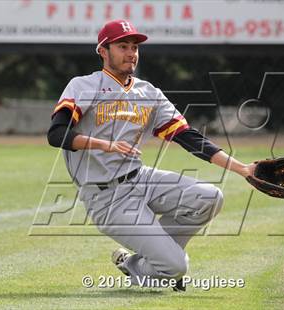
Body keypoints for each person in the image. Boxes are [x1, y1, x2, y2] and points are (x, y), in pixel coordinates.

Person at [47, 19, 256, 291]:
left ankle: (141, 263)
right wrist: (104, 144)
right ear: (103, 50)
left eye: (134, 47)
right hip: (106, 198)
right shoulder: (83, 86)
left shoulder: (148, 92)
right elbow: (56, 134)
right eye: (122, 46)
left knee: (210, 198)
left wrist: (242, 169)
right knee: (176, 267)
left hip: (142, 179)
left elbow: (188, 137)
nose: (131, 52)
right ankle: (158, 266)